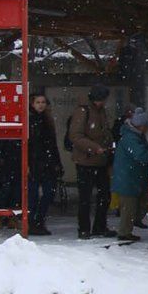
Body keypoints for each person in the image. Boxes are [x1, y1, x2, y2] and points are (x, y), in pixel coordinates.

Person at [70, 84, 115, 239]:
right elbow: (76, 136)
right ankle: (85, 228)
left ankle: (97, 227)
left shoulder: (97, 111)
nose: (102, 103)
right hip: (87, 161)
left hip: (99, 159)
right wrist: (95, 147)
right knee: (86, 198)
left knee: (103, 196)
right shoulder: (83, 111)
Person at [111, 107, 148, 242]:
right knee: (129, 207)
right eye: (146, 125)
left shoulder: (133, 136)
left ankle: (128, 228)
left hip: (130, 177)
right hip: (128, 177)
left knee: (133, 205)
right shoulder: (131, 138)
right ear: (141, 126)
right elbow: (141, 155)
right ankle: (124, 232)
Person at [27, 93, 62, 236]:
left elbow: (52, 144)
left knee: (48, 193)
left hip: (46, 162)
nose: (41, 105)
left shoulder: (47, 120)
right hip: (35, 162)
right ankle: (34, 222)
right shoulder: (30, 120)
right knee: (33, 196)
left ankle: (37, 221)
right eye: (37, 102)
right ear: (32, 104)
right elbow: (29, 144)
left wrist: (57, 162)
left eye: (43, 102)